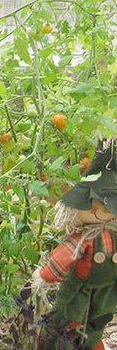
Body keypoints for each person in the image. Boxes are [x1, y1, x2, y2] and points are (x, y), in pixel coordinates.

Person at [33, 138, 117, 350]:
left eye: (106, 207)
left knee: (99, 319)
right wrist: (45, 276)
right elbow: (65, 256)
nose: (98, 212)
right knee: (68, 319)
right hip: (78, 288)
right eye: (91, 206)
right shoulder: (84, 239)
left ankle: (92, 344)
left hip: (108, 289)